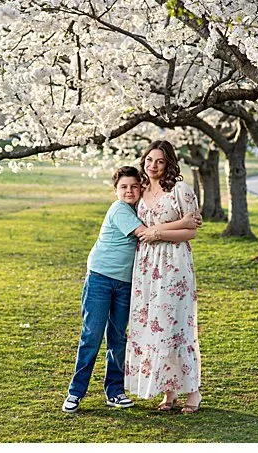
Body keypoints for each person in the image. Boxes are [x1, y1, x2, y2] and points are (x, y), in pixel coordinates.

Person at [62, 165, 199, 413]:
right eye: (124, 187)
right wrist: (184, 222)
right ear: (115, 190)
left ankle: (114, 391)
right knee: (91, 336)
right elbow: (145, 233)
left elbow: (156, 219)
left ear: (141, 187)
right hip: (101, 279)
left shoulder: (141, 208)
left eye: (134, 186)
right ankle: (75, 392)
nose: (129, 191)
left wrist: (187, 222)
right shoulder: (119, 209)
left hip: (127, 283)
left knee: (118, 338)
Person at [126, 140, 202, 413]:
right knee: (153, 326)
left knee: (175, 327)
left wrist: (157, 232)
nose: (153, 166)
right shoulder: (141, 190)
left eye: (159, 161)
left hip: (174, 264)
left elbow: (191, 231)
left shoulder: (180, 189)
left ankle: (192, 392)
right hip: (146, 265)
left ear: (168, 162)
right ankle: (168, 393)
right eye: (149, 160)